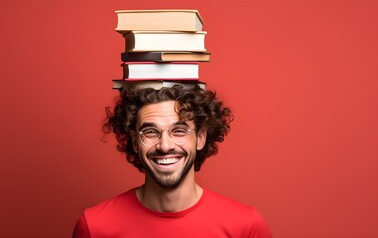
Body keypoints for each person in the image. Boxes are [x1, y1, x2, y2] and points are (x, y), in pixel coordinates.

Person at [72, 85, 272, 238]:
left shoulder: (245, 226)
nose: (165, 145)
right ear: (134, 140)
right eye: (150, 132)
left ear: (200, 137)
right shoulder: (95, 227)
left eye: (179, 130)